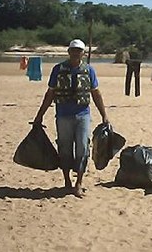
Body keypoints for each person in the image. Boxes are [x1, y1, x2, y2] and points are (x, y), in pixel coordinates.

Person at [33, 39, 108, 198]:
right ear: (69, 52)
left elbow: (96, 94)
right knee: (64, 148)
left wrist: (104, 115)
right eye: (73, 50)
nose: (75, 53)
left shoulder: (89, 70)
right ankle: (67, 180)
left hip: (83, 115)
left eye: (78, 50)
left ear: (83, 53)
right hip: (63, 115)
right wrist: (39, 116)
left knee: (82, 147)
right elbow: (50, 94)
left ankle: (78, 183)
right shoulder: (58, 69)